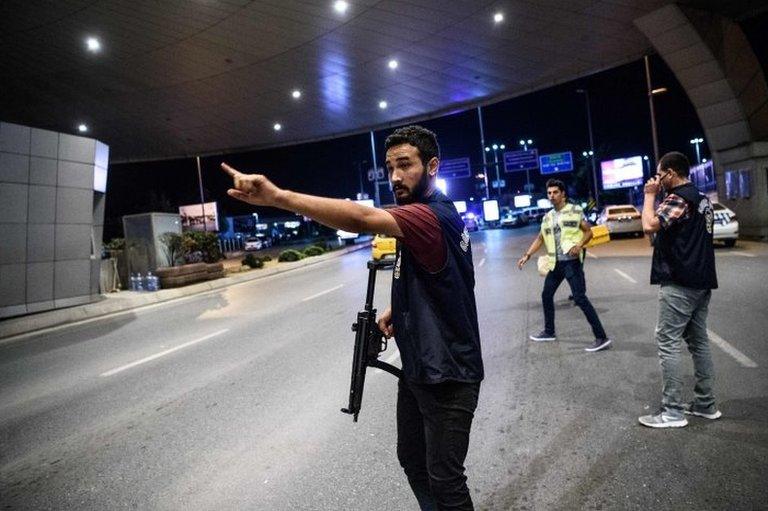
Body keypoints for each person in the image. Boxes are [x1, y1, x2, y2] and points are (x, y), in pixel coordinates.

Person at [222, 125, 483, 510]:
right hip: (421, 369)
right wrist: (403, 307)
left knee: (445, 481)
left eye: (405, 165)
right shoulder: (438, 214)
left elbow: (361, 218)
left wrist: (279, 197)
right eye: (390, 167)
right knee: (413, 462)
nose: (395, 176)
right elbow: (457, 279)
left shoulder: (428, 218)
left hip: (448, 376)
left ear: (432, 166)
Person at [637, 151, 720, 428]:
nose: (657, 180)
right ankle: (706, 404)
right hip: (701, 280)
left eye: (660, 175)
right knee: (698, 342)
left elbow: (649, 225)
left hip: (680, 282)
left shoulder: (678, 197)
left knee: (667, 342)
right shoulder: (702, 198)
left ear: (670, 173)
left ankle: (673, 412)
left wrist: (649, 195)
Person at [517, 179, 612, 352]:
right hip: (556, 264)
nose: (552, 196)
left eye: (555, 192)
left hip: (571, 263)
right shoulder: (548, 217)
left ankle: (601, 337)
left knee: (580, 298)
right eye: (549, 193)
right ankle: (549, 332)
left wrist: (579, 245)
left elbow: (588, 231)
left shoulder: (574, 211)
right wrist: (527, 255)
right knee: (546, 295)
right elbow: (540, 238)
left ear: (563, 194)